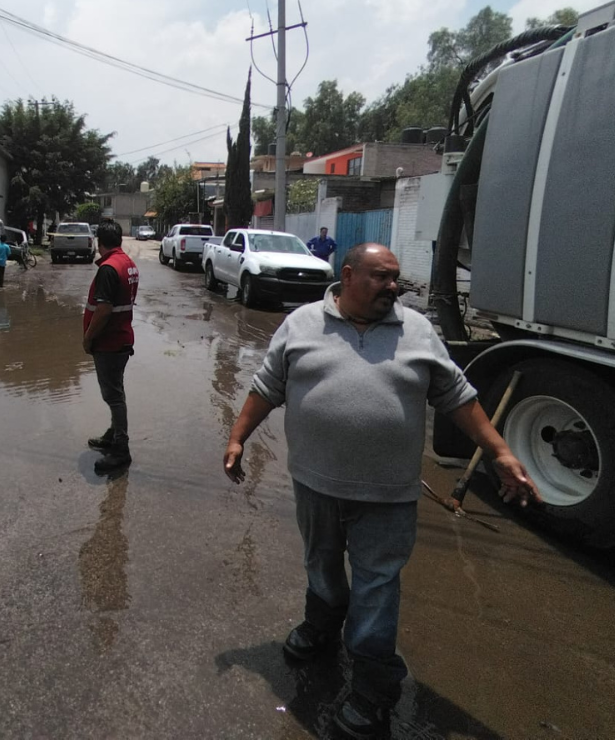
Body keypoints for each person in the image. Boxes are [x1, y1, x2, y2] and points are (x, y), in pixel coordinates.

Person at [223, 243, 540, 739]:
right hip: (316, 484)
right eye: (380, 277)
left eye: (396, 279)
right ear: (348, 276)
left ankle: (372, 691)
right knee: (321, 566)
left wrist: (499, 452)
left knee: (376, 590)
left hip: (389, 495)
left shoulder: (416, 330)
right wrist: (238, 437)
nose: (393, 287)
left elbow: (458, 396)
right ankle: (321, 625)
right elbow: (268, 386)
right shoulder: (302, 324)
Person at [83, 221, 140, 474]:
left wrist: (88, 338)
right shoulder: (127, 263)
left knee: (113, 396)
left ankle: (121, 449)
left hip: (110, 341)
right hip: (122, 338)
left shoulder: (108, 268)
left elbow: (104, 309)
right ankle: (114, 433)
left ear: (99, 242)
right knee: (116, 391)